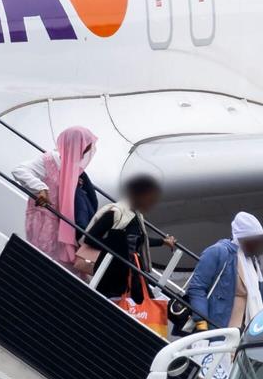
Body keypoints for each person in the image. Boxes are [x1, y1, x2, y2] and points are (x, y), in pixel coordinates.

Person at [78, 175, 175, 301]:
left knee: (145, 302)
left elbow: (137, 241)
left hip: (130, 270)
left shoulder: (136, 216)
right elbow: (90, 238)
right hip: (112, 271)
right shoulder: (117, 212)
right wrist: (116, 247)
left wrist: (162, 242)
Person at [12, 127, 98, 267]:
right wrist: (41, 188)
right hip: (44, 223)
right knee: (41, 264)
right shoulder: (49, 160)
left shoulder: (75, 170)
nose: (84, 154)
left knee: (60, 268)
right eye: (83, 148)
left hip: (63, 225)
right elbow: (19, 170)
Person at [185, 211, 263, 330]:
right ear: (242, 238)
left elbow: (255, 296)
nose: (259, 246)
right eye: (255, 242)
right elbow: (197, 288)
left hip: (247, 329)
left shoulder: (253, 261)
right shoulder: (217, 252)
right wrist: (201, 321)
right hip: (220, 328)